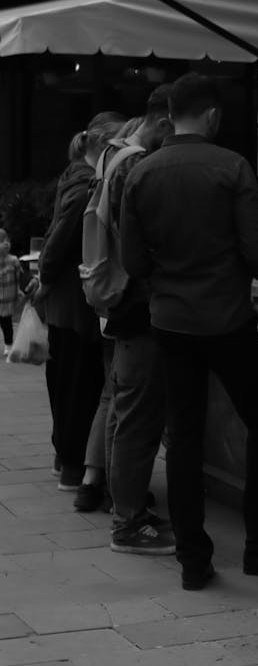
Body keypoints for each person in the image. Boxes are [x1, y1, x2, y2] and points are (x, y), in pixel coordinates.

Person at [120, 72, 258, 589]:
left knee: (183, 435)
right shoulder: (231, 166)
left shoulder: (142, 173)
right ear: (211, 115)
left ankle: (193, 558)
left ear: (170, 114)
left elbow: (132, 261)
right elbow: (256, 258)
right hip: (227, 320)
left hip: (170, 321)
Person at [32, 112, 125, 491]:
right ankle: (73, 466)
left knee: (66, 380)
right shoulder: (87, 181)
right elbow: (63, 237)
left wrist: (45, 276)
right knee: (78, 385)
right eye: (118, 143)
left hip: (65, 301)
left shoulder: (74, 174)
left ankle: (65, 460)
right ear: (103, 142)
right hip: (76, 302)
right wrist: (45, 275)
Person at [103, 92, 176, 555]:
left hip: (118, 299)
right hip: (136, 301)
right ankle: (128, 521)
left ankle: (125, 508)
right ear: (166, 123)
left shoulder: (116, 154)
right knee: (136, 416)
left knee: (122, 409)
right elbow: (143, 242)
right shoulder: (137, 165)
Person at [0, 228, 29, 352]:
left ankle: (8, 345)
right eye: (2, 241)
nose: (6, 243)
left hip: (7, 298)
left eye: (7, 240)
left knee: (6, 322)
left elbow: (20, 277)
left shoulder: (14, 260)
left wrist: (20, 290)